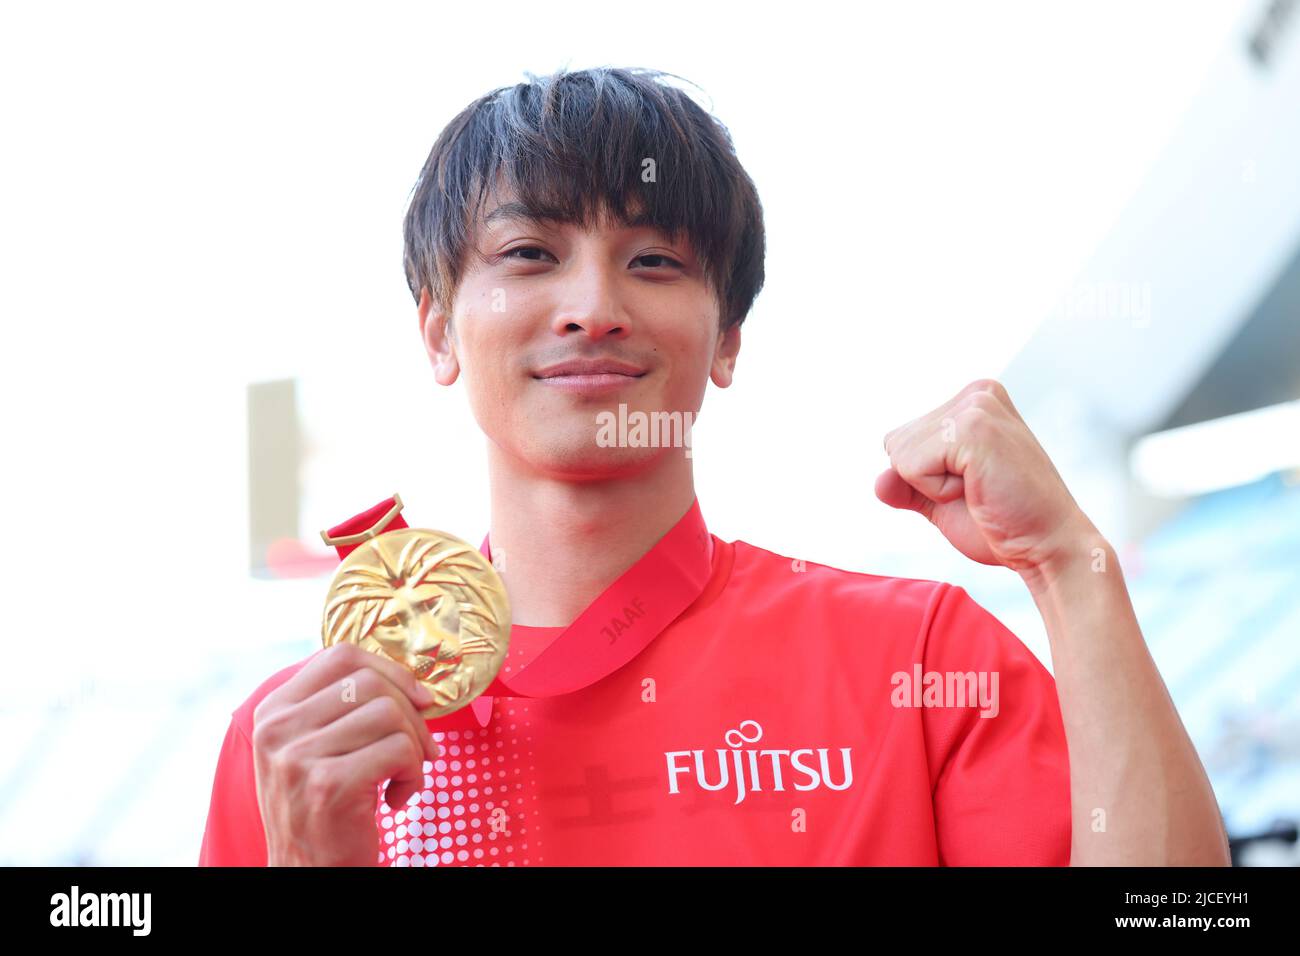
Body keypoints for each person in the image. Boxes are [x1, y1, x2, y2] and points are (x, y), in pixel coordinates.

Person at [199, 66, 1230, 867]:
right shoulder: (307, 740)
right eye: (528, 254)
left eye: (654, 261)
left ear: (726, 336)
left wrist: (1066, 562)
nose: (592, 305)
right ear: (437, 330)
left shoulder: (918, 660)